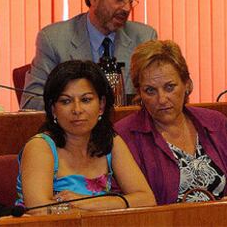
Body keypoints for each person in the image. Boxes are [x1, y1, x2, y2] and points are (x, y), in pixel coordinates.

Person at [115, 40, 227, 205]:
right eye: (150, 90)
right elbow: (122, 200)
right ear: (139, 93)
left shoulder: (215, 123)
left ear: (187, 84)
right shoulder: (123, 136)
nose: (162, 99)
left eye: (169, 87)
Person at [16, 60, 156, 214]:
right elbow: (39, 210)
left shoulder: (111, 141)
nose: (77, 109)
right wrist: (113, 203)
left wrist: (86, 202)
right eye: (66, 101)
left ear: (101, 105)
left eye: (86, 100)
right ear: (53, 109)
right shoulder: (40, 147)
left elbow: (147, 200)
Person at [21, 0, 157, 110]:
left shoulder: (144, 38)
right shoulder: (54, 39)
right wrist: (76, 110)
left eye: (131, 0)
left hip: (128, 131)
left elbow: (157, 96)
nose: (126, 7)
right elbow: (31, 102)